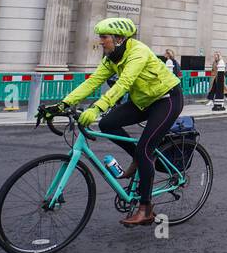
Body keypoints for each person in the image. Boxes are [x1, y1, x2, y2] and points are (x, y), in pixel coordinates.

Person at [41, 18, 183, 227]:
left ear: (119, 38)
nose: (101, 42)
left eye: (104, 38)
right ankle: (141, 158)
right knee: (107, 124)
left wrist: (97, 108)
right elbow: (93, 81)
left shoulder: (138, 52)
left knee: (145, 149)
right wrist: (62, 104)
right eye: (100, 37)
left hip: (166, 99)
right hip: (143, 101)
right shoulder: (111, 58)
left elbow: (124, 83)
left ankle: (146, 209)